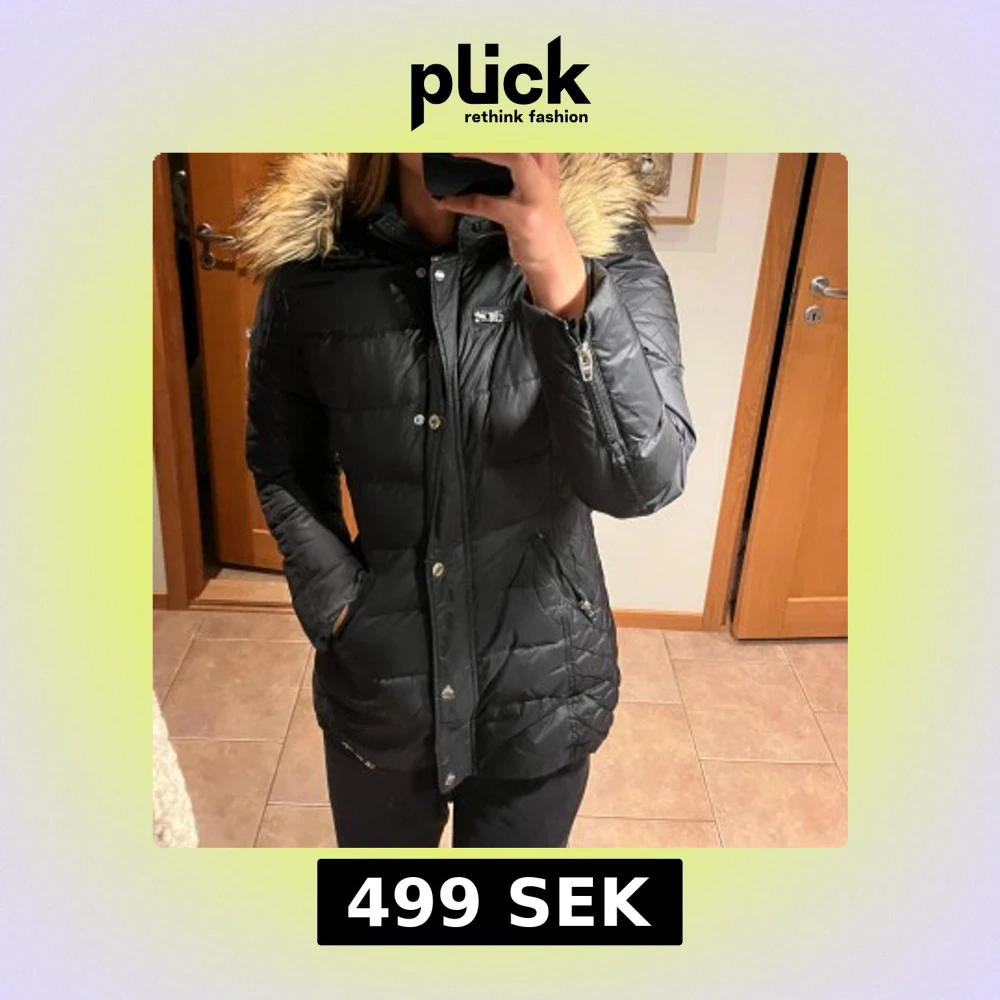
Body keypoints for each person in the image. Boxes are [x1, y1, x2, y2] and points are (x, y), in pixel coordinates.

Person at [238, 153, 695, 847]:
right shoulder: (315, 262)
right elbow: (283, 462)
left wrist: (558, 273)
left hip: (543, 687)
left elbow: (643, 481)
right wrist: (339, 607)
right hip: (382, 683)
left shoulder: (604, 245)